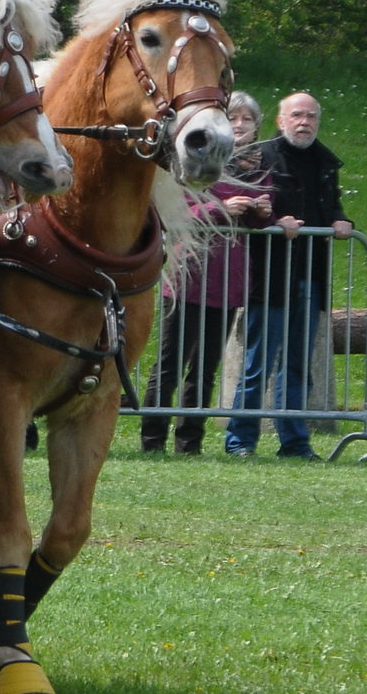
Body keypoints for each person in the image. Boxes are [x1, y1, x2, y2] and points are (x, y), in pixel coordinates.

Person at [141, 91, 272, 454]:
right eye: (234, 118)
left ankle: (190, 442)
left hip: (228, 281)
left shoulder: (257, 165)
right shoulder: (192, 161)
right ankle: (152, 440)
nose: (241, 125)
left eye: (248, 120)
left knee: (205, 368)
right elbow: (178, 213)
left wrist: (261, 213)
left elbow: (263, 217)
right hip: (187, 277)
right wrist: (222, 209)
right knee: (169, 365)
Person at [226, 92, 354, 460]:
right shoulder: (258, 156)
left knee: (298, 365)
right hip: (269, 276)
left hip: (310, 275)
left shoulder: (325, 161)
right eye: (296, 115)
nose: (304, 122)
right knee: (257, 364)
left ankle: (295, 442)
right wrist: (272, 220)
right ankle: (240, 441)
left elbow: (331, 204)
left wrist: (341, 220)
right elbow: (244, 201)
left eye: (311, 116)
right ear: (281, 120)